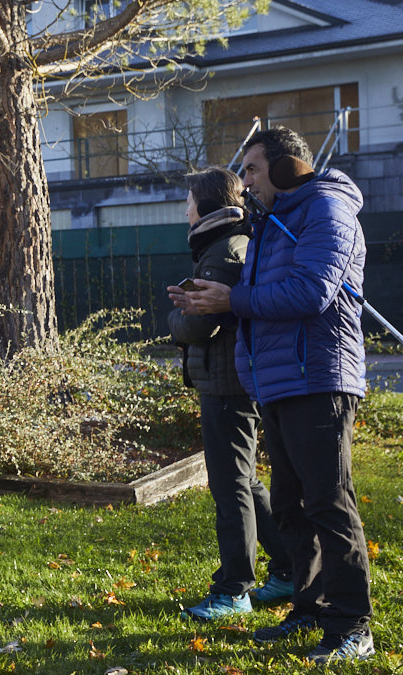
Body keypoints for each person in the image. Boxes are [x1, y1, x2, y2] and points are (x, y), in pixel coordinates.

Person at [171, 126, 373, 663]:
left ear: (289, 170)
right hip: (278, 381)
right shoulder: (269, 223)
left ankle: (352, 624)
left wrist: (231, 300)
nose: (244, 183)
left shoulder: (327, 213)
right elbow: (259, 294)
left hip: (319, 377)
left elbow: (311, 291)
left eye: (253, 170)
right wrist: (226, 300)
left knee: (330, 504)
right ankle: (309, 609)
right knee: (289, 505)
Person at [166, 168, 292, 622]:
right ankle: (289, 568)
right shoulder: (230, 244)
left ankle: (234, 588)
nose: (185, 210)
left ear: (208, 205)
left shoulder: (225, 249)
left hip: (227, 385)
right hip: (227, 382)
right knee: (247, 482)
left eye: (189, 201)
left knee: (230, 486)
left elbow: (199, 323)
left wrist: (173, 321)